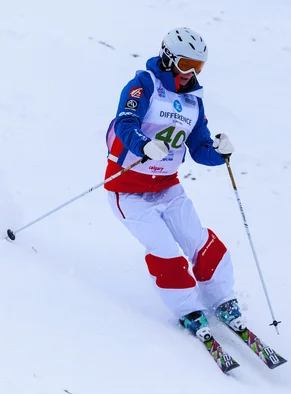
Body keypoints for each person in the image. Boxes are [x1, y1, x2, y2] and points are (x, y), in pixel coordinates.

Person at [104, 27, 245, 342]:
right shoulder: (144, 85)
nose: (190, 74)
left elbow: (199, 148)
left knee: (201, 242)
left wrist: (220, 154)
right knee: (166, 250)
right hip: (128, 192)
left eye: (198, 68)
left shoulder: (194, 101)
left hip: (167, 187)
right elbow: (125, 122)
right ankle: (187, 310)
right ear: (168, 58)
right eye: (185, 65)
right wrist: (143, 145)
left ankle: (221, 299)